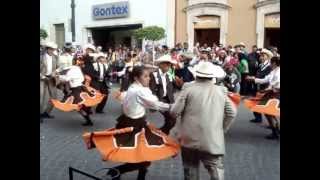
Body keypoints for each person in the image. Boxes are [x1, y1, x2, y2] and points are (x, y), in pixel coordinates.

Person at [83, 66, 180, 180]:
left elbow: (131, 99)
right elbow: (155, 104)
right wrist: (174, 107)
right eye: (146, 76)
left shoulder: (133, 88)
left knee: (143, 152)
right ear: (136, 78)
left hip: (130, 122)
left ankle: (139, 175)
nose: (149, 78)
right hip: (135, 126)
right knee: (144, 155)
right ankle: (117, 171)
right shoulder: (140, 91)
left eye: (149, 76)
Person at [170, 61, 237, 180]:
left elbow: (174, 112)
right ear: (212, 76)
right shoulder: (221, 91)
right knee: (216, 169)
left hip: (189, 137)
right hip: (212, 138)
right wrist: (221, 129)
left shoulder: (188, 89)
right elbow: (232, 112)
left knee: (190, 168)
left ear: (196, 75)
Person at [246, 56, 280, 139]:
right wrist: (253, 79)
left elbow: (278, 83)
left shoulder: (278, 72)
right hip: (271, 93)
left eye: (271, 63)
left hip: (276, 93)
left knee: (269, 112)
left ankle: (275, 131)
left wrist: (270, 88)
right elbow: (265, 79)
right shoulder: (274, 71)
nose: (270, 64)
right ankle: (276, 130)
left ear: (274, 63)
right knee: (268, 112)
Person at [149, 55, 177, 134]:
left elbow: (172, 87)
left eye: (169, 64)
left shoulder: (169, 75)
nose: (169, 66)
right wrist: (154, 103)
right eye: (167, 64)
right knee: (170, 119)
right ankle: (162, 133)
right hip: (159, 100)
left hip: (168, 100)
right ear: (161, 65)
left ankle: (161, 133)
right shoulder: (154, 75)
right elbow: (152, 90)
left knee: (172, 120)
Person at [249, 48, 273, 123]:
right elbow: (258, 74)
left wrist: (254, 78)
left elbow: (266, 77)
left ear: (268, 57)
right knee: (256, 102)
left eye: (263, 56)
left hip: (266, 88)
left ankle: (272, 123)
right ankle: (258, 117)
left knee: (266, 105)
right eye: (261, 56)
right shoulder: (261, 65)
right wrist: (254, 77)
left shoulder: (269, 66)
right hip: (259, 86)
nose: (261, 57)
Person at [40, 42, 59, 122]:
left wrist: (55, 72)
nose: (52, 50)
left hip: (51, 78)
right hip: (42, 78)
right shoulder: (41, 57)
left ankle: (46, 113)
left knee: (54, 97)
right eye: (50, 49)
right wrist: (43, 76)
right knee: (41, 97)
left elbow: (58, 67)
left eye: (53, 49)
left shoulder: (55, 57)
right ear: (47, 49)